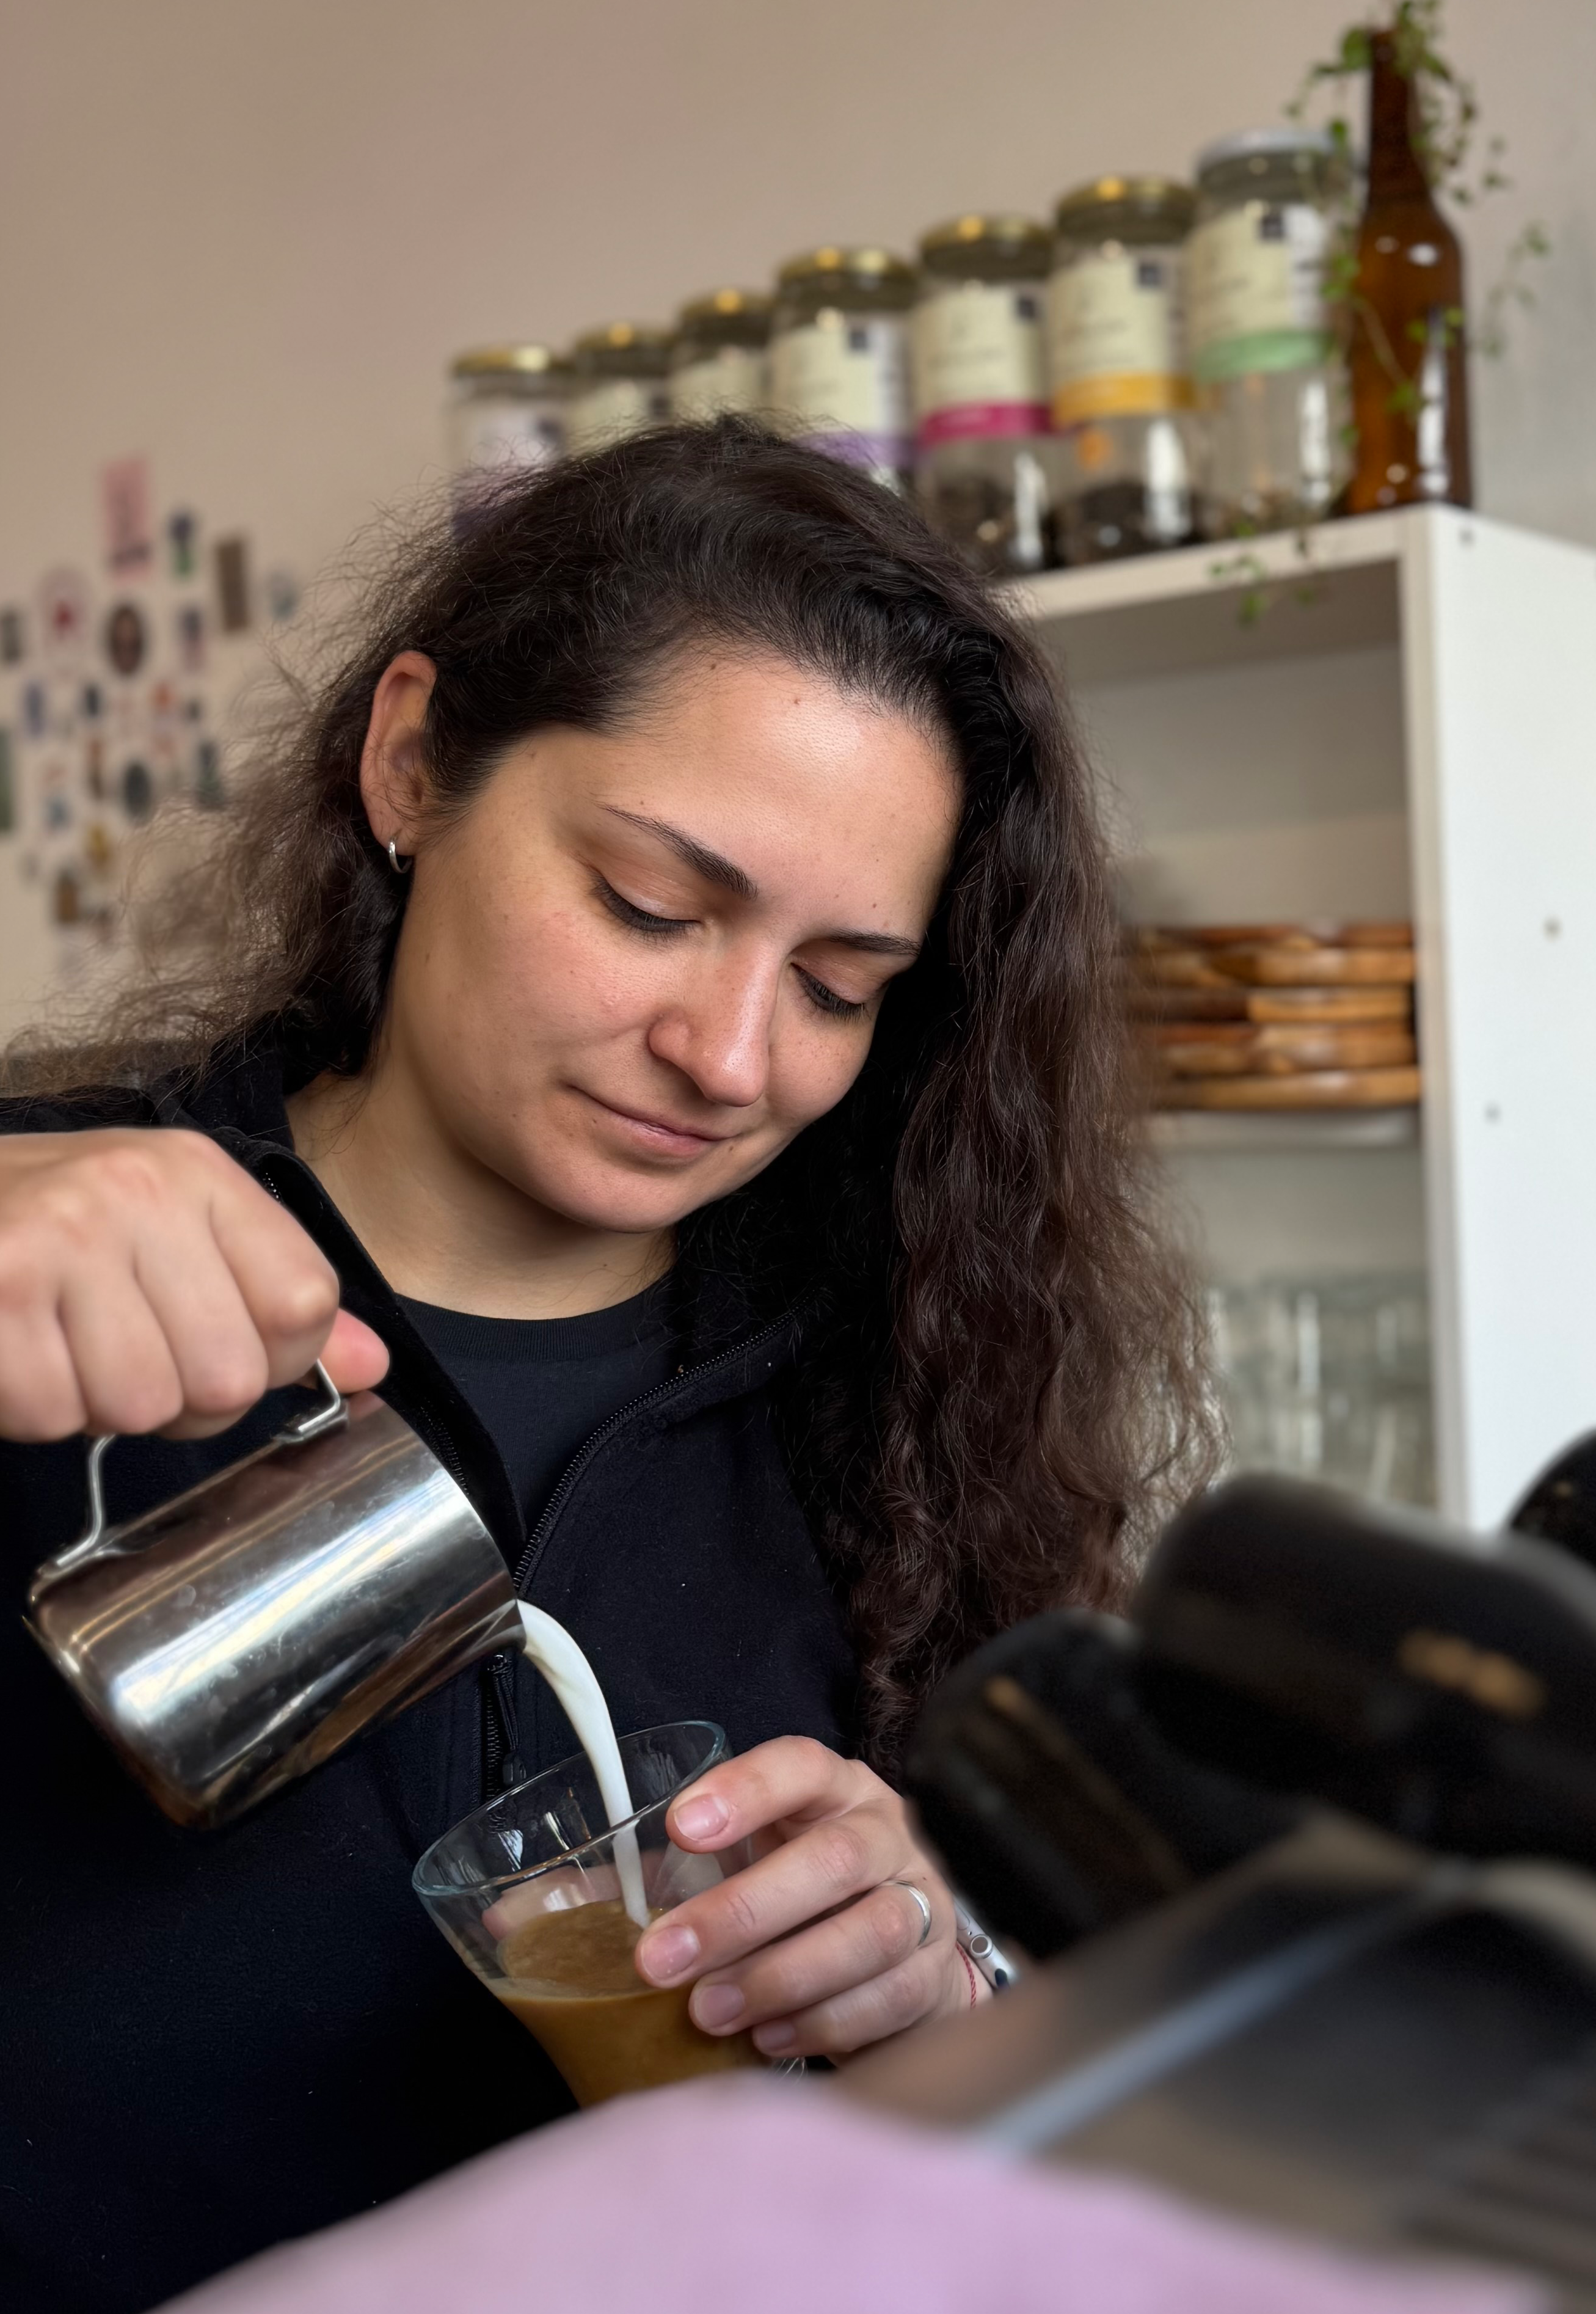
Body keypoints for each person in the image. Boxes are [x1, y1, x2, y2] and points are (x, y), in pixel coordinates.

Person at [0, 422, 1211, 2311]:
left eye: (836, 986)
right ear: (413, 759)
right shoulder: (53, 1252)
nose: (730, 1058)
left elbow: (1063, 2143)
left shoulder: (900, 1386)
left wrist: (942, 1977)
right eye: (653, 905)